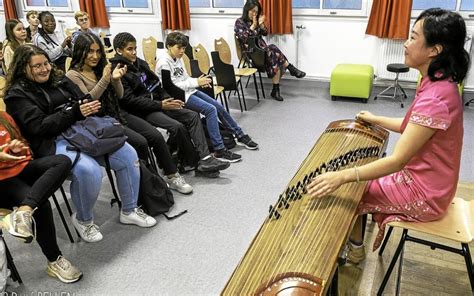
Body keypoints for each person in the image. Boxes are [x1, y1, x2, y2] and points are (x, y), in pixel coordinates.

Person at [307, 8, 469, 264]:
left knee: (352, 187)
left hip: (426, 192)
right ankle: (356, 239)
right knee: (359, 174)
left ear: (434, 50)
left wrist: (342, 176)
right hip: (434, 181)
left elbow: (397, 161)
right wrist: (375, 118)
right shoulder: (438, 82)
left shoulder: (436, 97)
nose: (405, 43)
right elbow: (412, 126)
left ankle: (355, 250)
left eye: (413, 38)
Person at [4, 44, 157, 243]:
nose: (44, 69)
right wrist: (74, 111)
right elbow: (39, 127)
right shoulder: (17, 95)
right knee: (88, 170)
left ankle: (129, 210)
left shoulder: (59, 79)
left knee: (128, 153)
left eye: (46, 64)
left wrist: (86, 105)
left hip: (83, 130)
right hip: (52, 141)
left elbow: (82, 99)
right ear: (23, 68)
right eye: (37, 66)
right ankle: (83, 220)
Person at [66, 33, 193, 193]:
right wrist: (106, 79)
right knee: (141, 142)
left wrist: (116, 79)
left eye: (98, 52)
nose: (95, 56)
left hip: (118, 112)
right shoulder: (73, 75)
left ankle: (171, 174)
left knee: (156, 136)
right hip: (99, 122)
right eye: (90, 51)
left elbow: (119, 95)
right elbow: (89, 101)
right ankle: (151, 181)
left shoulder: (101, 68)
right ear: (80, 51)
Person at [110, 32, 230, 178]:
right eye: (130, 49)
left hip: (159, 103)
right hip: (143, 110)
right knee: (178, 126)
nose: (134, 52)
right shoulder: (117, 70)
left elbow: (157, 85)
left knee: (192, 116)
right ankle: (195, 162)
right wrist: (161, 105)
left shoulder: (139, 63)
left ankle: (205, 159)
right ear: (118, 51)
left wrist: (169, 99)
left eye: (135, 48)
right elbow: (130, 101)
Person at [0, 111, 82, 283]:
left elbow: (21, 143)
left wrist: (16, 148)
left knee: (62, 161)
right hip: (2, 181)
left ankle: (24, 211)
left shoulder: (2, 116)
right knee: (41, 204)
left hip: (21, 167)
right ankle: (54, 260)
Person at [156, 32, 259, 163]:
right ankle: (219, 149)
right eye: (179, 48)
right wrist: (196, 83)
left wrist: (199, 80)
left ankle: (240, 135)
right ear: (169, 46)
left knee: (218, 106)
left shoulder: (178, 57)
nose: (182, 51)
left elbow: (185, 78)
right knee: (210, 110)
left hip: (188, 91)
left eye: (183, 48)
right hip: (177, 96)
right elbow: (170, 86)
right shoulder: (163, 63)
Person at [234, 0, 306, 101]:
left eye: (256, 12)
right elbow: (245, 38)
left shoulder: (255, 20)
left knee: (273, 54)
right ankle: (289, 68)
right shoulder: (239, 22)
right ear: (246, 10)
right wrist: (253, 26)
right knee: (273, 50)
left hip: (263, 51)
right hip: (252, 54)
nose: (254, 14)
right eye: (252, 11)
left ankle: (276, 89)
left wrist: (262, 24)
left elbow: (265, 33)